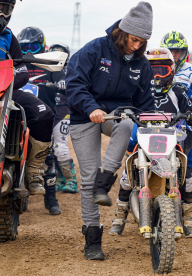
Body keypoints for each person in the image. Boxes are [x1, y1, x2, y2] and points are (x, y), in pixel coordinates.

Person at [66, 2, 154, 261]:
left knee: (127, 123)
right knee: (87, 178)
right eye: (134, 40)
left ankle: (105, 182)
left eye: (142, 42)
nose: (136, 46)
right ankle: (93, 238)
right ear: (123, 32)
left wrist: (152, 121)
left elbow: (144, 101)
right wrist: (90, 107)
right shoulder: (95, 49)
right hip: (85, 115)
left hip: (115, 116)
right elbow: (74, 82)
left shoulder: (142, 64)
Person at [109, 47, 192, 238]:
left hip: (171, 140)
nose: (157, 75)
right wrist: (120, 109)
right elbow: (123, 104)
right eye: (152, 70)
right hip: (143, 139)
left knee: (188, 178)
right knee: (126, 176)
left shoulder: (178, 92)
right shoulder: (137, 91)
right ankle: (119, 217)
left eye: (162, 70)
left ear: (172, 71)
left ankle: (188, 218)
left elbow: (191, 110)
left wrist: (191, 114)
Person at [0, 2, 55, 197]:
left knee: (44, 114)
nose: (0, 14)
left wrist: (8, 80)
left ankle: (34, 171)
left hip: (5, 89)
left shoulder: (9, 36)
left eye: (5, 9)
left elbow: (22, 72)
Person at [18, 27, 66, 215]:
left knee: (48, 156)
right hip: (19, 116)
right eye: (25, 47)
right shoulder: (18, 65)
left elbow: (62, 75)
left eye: (33, 46)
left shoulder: (48, 65)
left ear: (43, 47)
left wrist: (62, 82)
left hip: (44, 118)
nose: (29, 52)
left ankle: (51, 198)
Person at [160, 31, 192, 220]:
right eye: (170, 51)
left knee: (191, 160)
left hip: (183, 122)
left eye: (178, 51)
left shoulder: (191, 70)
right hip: (158, 122)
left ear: (184, 51)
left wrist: (187, 93)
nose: (174, 55)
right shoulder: (152, 68)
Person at [48, 42, 79, 194]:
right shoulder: (46, 71)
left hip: (63, 113)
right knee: (49, 148)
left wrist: (63, 84)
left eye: (59, 54)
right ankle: (59, 180)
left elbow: (76, 86)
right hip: (49, 112)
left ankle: (72, 180)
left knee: (59, 146)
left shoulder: (69, 71)